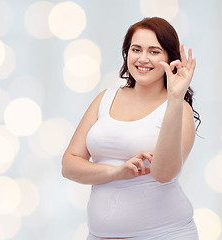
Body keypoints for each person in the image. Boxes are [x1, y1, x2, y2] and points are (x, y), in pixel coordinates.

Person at [62, 17, 201, 240]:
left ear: (170, 58)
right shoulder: (104, 99)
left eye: (154, 51)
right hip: (98, 235)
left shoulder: (178, 108)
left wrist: (174, 98)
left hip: (165, 234)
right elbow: (69, 164)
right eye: (136, 49)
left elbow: (165, 174)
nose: (143, 58)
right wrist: (116, 172)